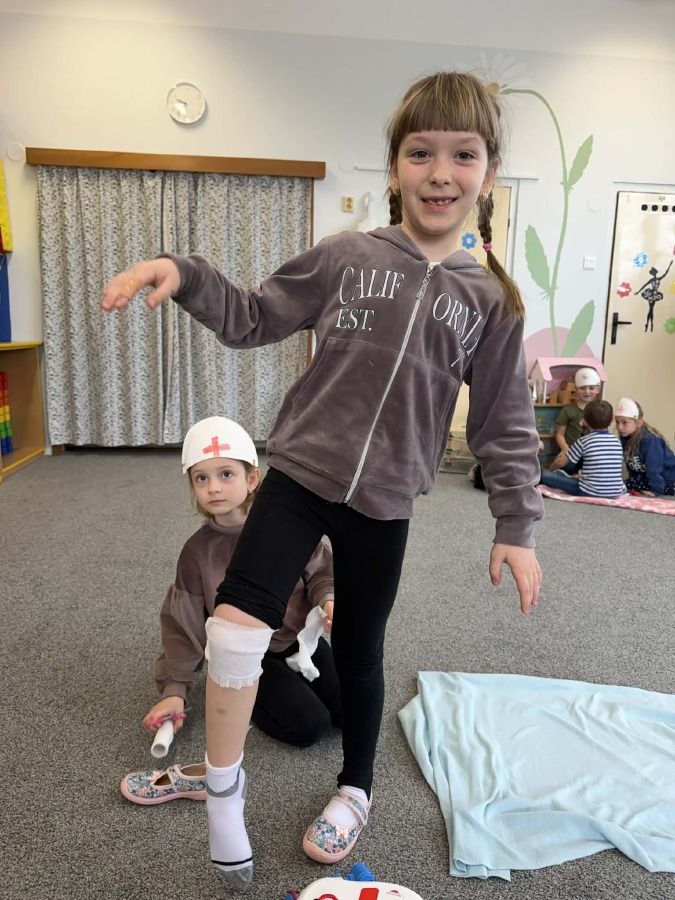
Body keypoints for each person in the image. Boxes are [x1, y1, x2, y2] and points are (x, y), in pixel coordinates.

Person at [102, 71, 543, 889]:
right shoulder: (347, 256)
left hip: (384, 500)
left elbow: (503, 421)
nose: (440, 172)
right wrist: (184, 272)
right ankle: (222, 792)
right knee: (234, 627)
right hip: (301, 472)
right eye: (420, 152)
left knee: (361, 655)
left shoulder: (490, 301)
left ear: (488, 172)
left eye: (462, 155)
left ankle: (356, 788)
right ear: (394, 166)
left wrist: (515, 524)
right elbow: (252, 316)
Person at [120, 416, 339, 805]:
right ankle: (241, 702)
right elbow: (183, 625)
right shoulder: (196, 553)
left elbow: (320, 570)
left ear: (252, 479)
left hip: (296, 642)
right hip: (248, 658)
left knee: (348, 711)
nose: (214, 487)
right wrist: (175, 690)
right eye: (201, 478)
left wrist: (327, 599)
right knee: (311, 727)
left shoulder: (285, 529)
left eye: (225, 474)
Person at [541, 399, 626, 498]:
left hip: (587, 491)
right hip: (616, 492)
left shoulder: (584, 441)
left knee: (544, 474)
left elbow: (560, 462)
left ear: (585, 421)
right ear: (612, 419)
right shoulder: (617, 441)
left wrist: (550, 470)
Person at [615, 397, 675, 497]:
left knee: (626, 485)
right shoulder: (625, 437)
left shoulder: (650, 441)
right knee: (625, 484)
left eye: (624, 422)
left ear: (639, 423)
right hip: (647, 477)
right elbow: (632, 466)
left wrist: (656, 490)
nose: (619, 427)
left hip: (668, 479)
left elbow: (655, 468)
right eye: (617, 422)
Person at [554, 366, 602, 458]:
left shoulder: (601, 411)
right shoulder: (567, 410)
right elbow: (560, 434)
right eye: (582, 388)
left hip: (592, 452)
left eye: (591, 388)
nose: (587, 392)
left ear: (598, 389)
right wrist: (565, 449)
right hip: (571, 452)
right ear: (576, 389)